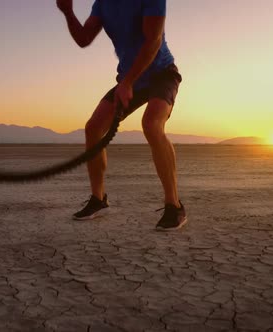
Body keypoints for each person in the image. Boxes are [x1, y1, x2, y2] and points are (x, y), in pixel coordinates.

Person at [57, 0, 187, 231]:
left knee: (151, 124)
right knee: (93, 128)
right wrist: (68, 11)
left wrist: (127, 82)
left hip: (161, 74)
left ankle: (174, 206)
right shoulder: (102, 4)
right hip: (129, 79)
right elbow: (84, 38)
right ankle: (99, 200)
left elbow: (153, 40)